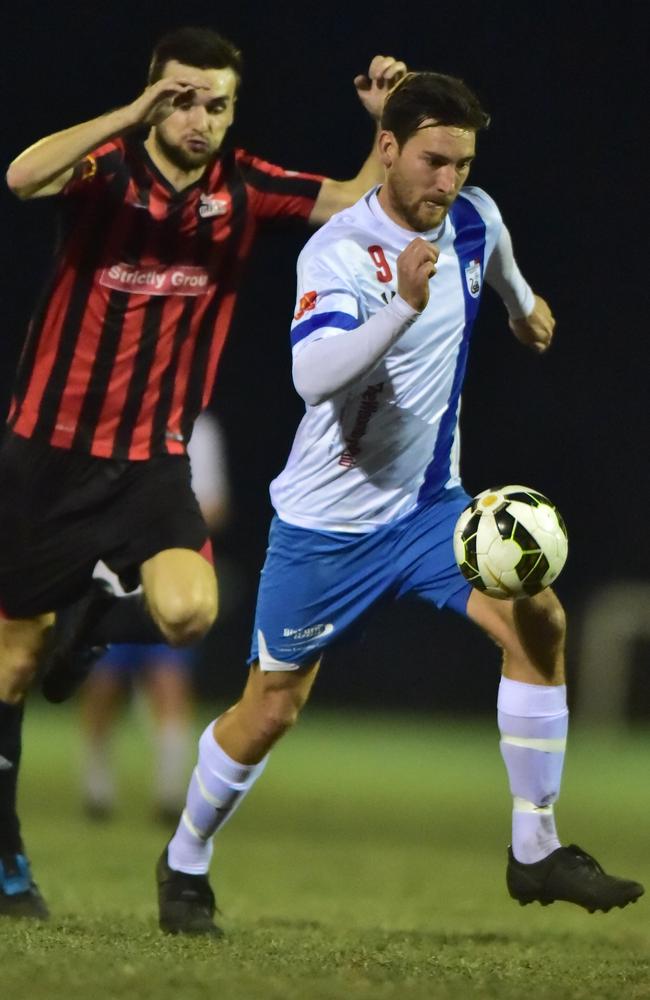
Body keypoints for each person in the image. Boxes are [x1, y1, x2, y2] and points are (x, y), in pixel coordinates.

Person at [155, 71, 644, 936]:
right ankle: (185, 858)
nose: (447, 180)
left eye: (461, 162)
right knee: (270, 710)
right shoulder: (339, 251)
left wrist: (527, 311)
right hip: (323, 530)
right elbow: (312, 377)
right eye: (432, 160)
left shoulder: (474, 217)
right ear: (388, 148)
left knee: (541, 620)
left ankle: (535, 848)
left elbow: (511, 285)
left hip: (429, 513)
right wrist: (402, 308)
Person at [0, 25, 407, 919]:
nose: (200, 118)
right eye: (181, 99)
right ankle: (7, 860)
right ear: (155, 97)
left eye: (216, 103)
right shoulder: (104, 167)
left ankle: (97, 612)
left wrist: (386, 132)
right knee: (12, 668)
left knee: (191, 613)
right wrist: (127, 116)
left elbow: (350, 201)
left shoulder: (244, 187)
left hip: (152, 462)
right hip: (46, 455)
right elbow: (21, 178)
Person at [81, 411, 230, 823]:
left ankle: (168, 794)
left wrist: (168, 525)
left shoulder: (199, 429)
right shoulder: (113, 420)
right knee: (104, 682)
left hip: (172, 574)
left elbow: (215, 504)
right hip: (112, 574)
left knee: (170, 678)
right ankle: (98, 786)